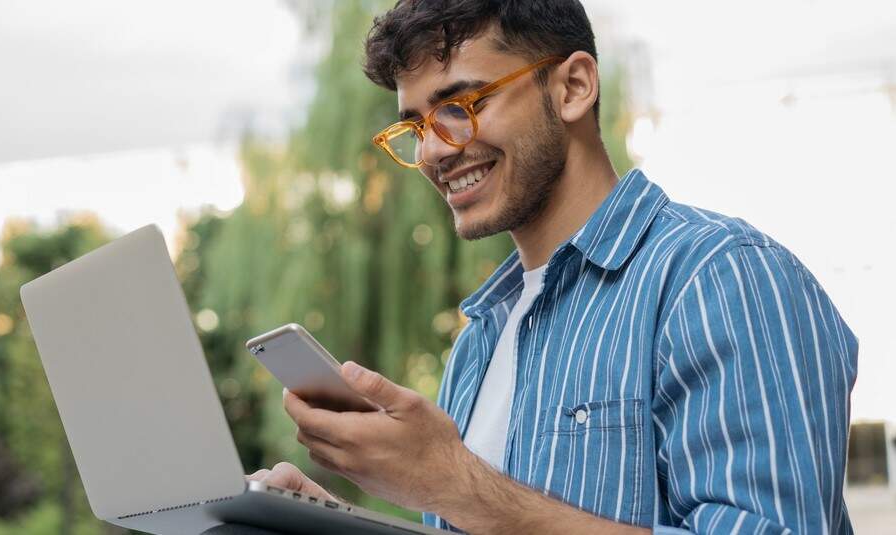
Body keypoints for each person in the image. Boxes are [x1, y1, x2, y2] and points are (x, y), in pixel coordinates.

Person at [247, 1, 858, 533]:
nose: (433, 149)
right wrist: (332, 522)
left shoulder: (722, 278)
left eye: (459, 103)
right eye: (415, 125)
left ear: (573, 87)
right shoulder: (479, 342)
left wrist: (454, 483)